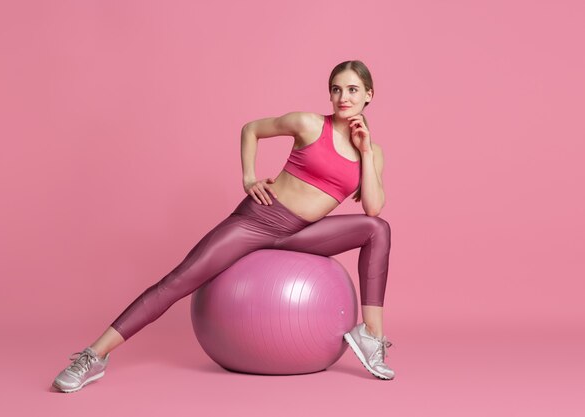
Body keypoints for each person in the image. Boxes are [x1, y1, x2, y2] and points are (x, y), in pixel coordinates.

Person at [52, 60, 395, 393]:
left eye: (352, 90)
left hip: (301, 235)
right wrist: (249, 178)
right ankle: (93, 356)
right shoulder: (308, 124)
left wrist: (364, 150)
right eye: (336, 90)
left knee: (378, 229)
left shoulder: (373, 152)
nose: (343, 98)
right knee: (178, 280)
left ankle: (371, 337)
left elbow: (372, 207)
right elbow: (252, 129)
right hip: (259, 221)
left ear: (369, 94)